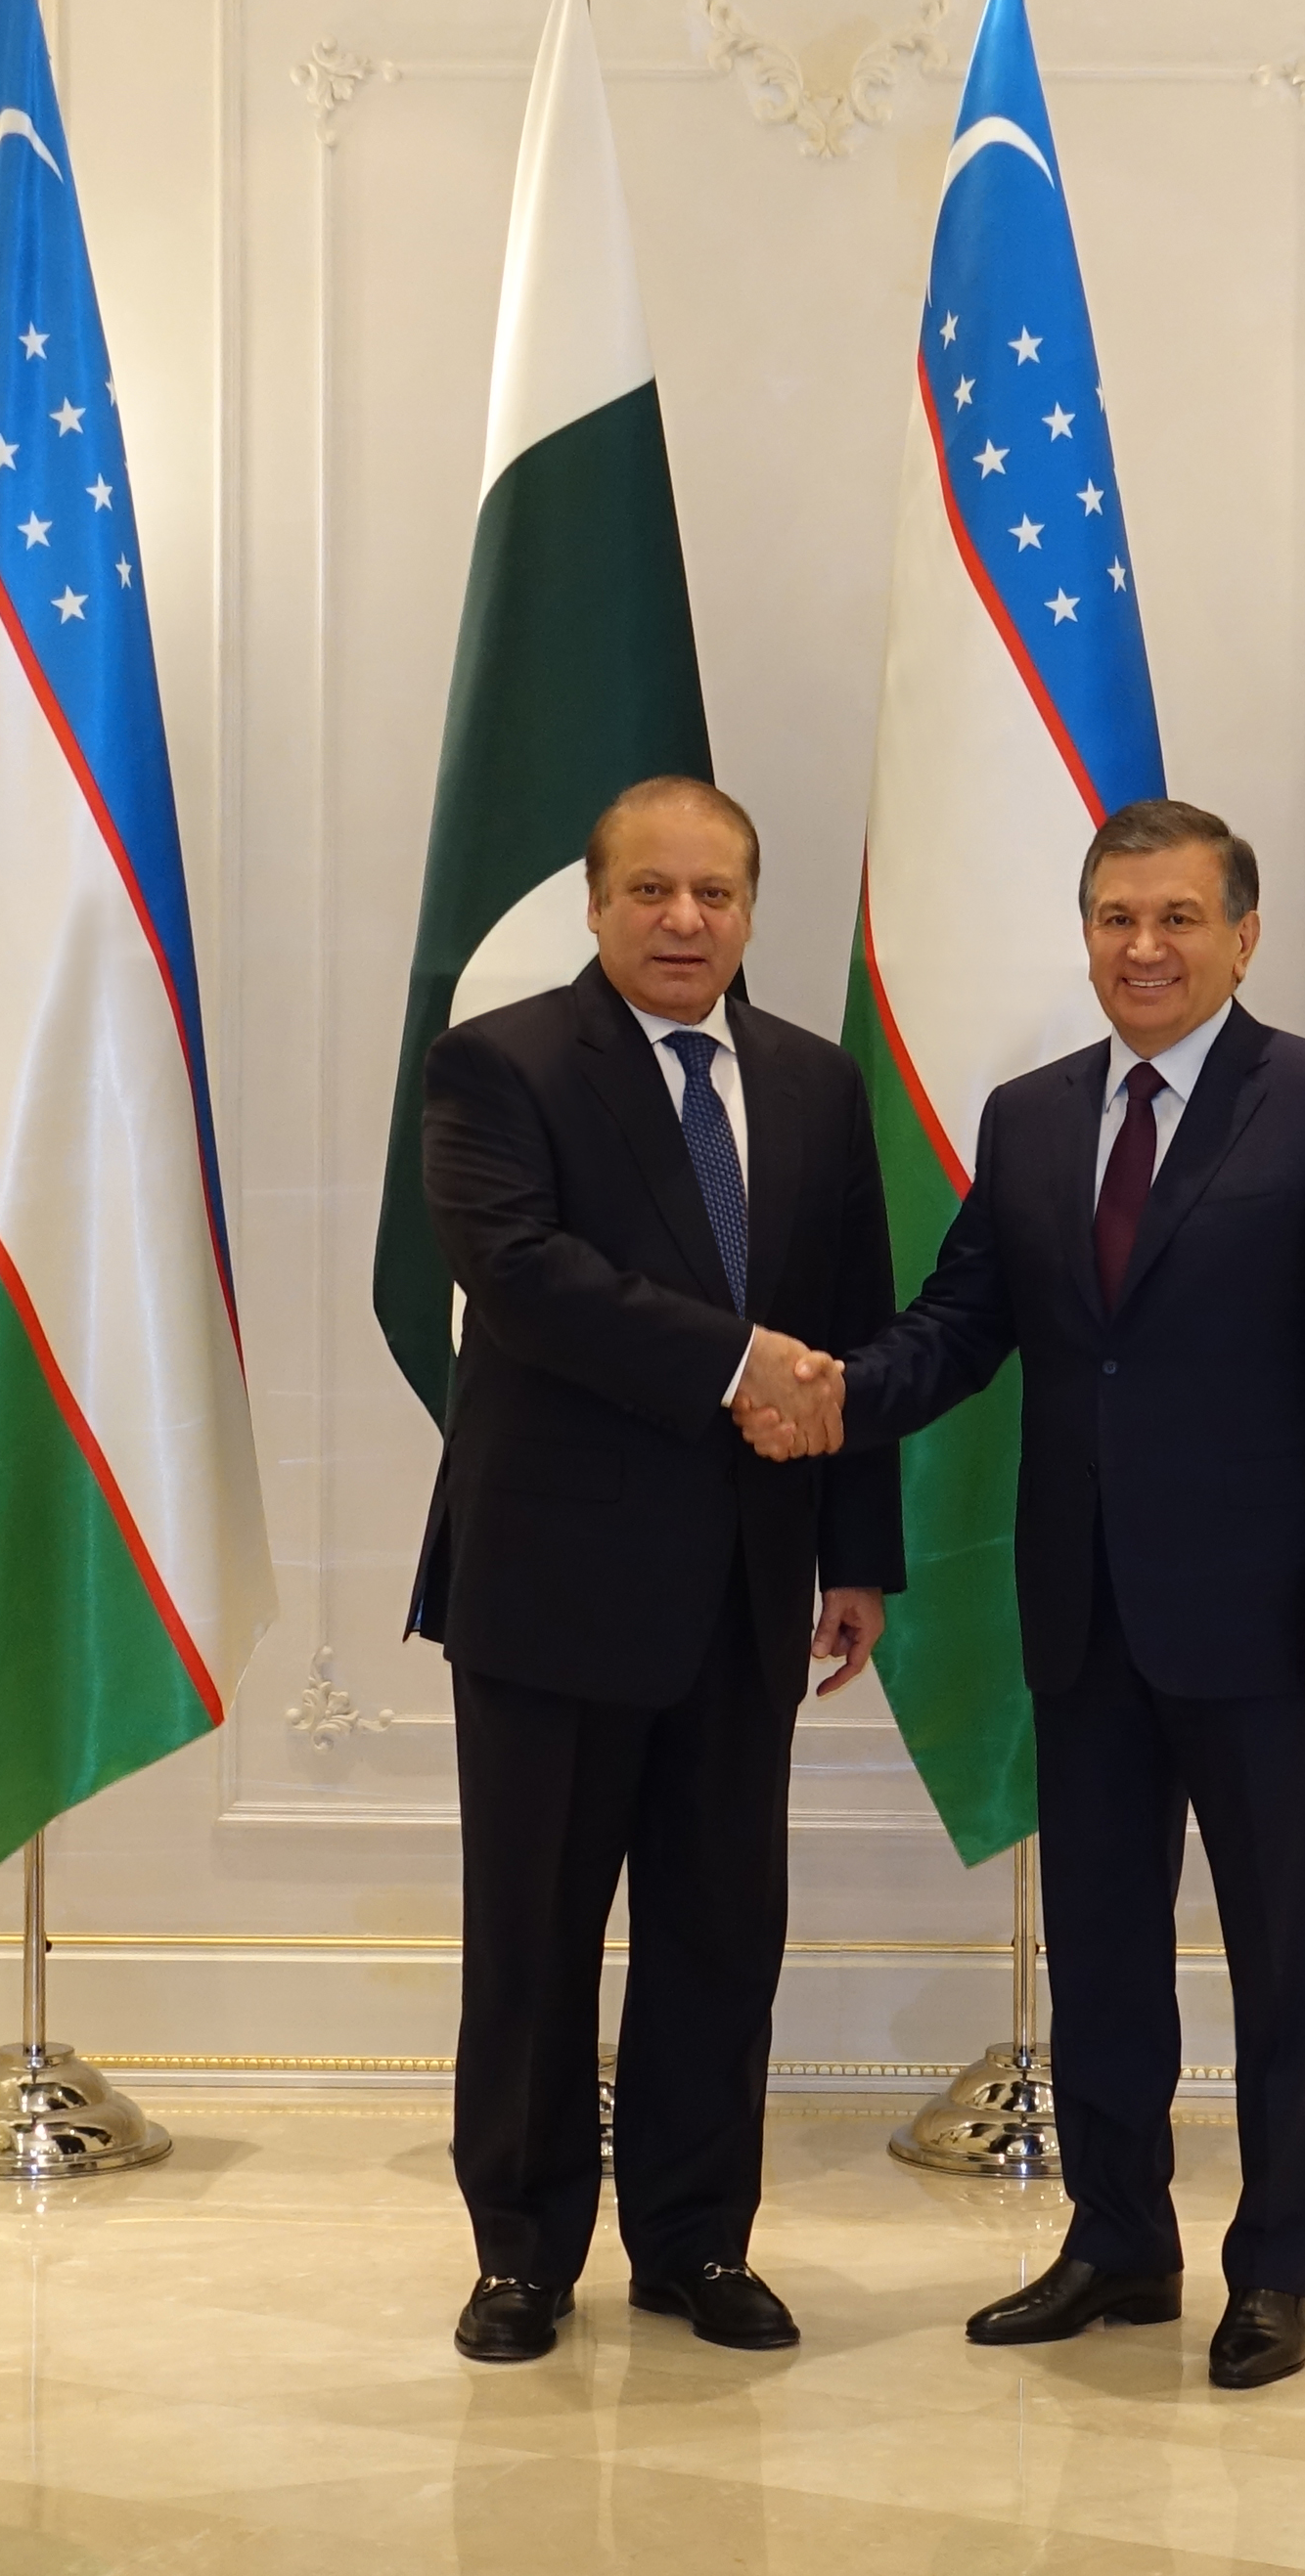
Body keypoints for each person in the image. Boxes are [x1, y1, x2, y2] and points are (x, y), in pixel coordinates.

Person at [744, 797, 1305, 2389]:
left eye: (1180, 919)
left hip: (1275, 1629)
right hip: (1087, 1614)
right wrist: (841, 1388)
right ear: (1088, 932)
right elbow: (966, 1320)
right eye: (1119, 919)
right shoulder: (1035, 1115)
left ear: (1244, 938)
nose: (1145, 948)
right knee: (1104, 1952)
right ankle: (1119, 2241)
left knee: (1285, 1959)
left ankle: (1278, 2270)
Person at [410, 776, 896, 2366]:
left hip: (749, 1591)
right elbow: (526, 1276)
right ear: (596, 902)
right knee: (536, 1937)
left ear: (753, 908)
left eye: (717, 895)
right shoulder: (503, 1065)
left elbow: (859, 1336)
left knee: (716, 1932)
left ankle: (696, 2245)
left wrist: (859, 1552)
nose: (686, 922)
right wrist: (740, 1359)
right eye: (652, 893)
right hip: (552, 1582)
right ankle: (524, 2254)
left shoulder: (819, 1086)